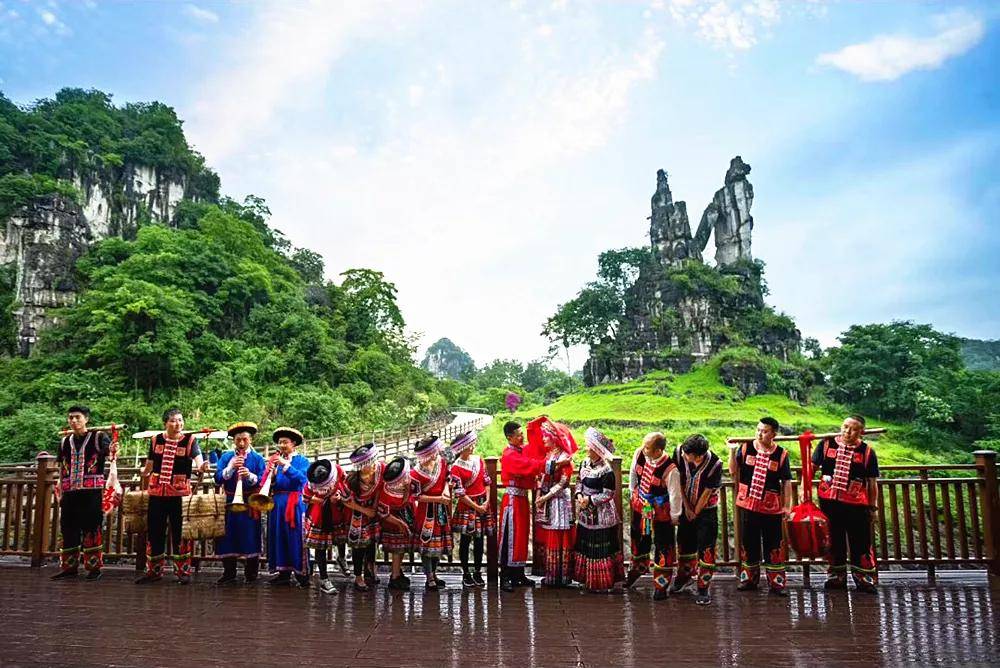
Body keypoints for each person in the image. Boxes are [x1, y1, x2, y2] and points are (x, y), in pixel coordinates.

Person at [136, 408, 208, 585]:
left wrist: (201, 466)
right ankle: (154, 571)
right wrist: (143, 472)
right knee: (155, 531)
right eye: (174, 421)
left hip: (180, 495)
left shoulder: (190, 440)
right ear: (165, 423)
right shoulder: (156, 440)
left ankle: (183, 572)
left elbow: (198, 459)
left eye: (180, 420)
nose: (178, 424)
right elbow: (150, 464)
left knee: (180, 532)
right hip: (157, 493)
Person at [810, 415, 879, 593]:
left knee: (861, 541)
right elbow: (811, 469)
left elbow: (871, 482)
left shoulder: (867, 452)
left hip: (857, 504)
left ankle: (864, 579)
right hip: (829, 502)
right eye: (845, 427)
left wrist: (873, 507)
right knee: (833, 540)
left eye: (853, 429)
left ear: (861, 432)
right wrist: (805, 491)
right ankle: (836, 578)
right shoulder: (826, 445)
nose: (848, 431)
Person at [51, 405, 115, 581]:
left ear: (86, 419)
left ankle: (94, 569)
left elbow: (111, 453)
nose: (73, 421)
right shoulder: (64, 442)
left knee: (92, 527)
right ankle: (69, 567)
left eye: (77, 417)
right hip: (70, 491)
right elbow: (61, 467)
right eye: (71, 418)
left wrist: (114, 447)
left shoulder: (98, 437)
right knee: (68, 528)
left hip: (91, 492)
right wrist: (60, 489)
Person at [731, 417, 793, 596]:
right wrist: (731, 451)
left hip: (771, 507)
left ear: (773, 434)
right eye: (758, 429)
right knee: (749, 542)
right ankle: (749, 580)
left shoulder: (781, 454)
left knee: (773, 544)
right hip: (748, 504)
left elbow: (787, 482)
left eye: (764, 431)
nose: (759, 433)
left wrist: (787, 506)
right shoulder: (745, 448)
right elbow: (734, 470)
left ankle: (776, 583)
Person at [624, 432, 682, 599]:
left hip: (661, 513)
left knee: (663, 545)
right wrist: (633, 493)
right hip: (642, 509)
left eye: (648, 447)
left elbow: (674, 495)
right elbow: (634, 474)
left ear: (658, 450)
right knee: (640, 538)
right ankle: (637, 569)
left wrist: (675, 516)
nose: (644, 449)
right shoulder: (639, 453)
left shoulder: (671, 470)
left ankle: (661, 585)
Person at [571, 427, 625, 593]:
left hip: (602, 515)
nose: (587, 449)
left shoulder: (606, 471)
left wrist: (590, 500)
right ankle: (586, 580)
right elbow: (579, 481)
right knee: (585, 545)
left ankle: (601, 583)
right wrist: (579, 495)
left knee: (600, 548)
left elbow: (609, 494)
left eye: (590, 447)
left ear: (597, 451)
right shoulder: (585, 463)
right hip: (586, 513)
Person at [671, 434, 722, 605]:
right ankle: (684, 577)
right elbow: (678, 481)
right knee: (684, 543)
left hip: (706, 510)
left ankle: (703, 587)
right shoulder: (679, 453)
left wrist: (696, 511)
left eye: (689, 455)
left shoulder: (715, 464)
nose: (685, 457)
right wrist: (686, 507)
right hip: (686, 506)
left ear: (699, 456)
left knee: (706, 548)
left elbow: (708, 492)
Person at [214, 421, 266, 585]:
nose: (242, 443)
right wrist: (229, 468)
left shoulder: (257, 458)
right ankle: (229, 572)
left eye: (245, 439)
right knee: (228, 536)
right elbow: (217, 478)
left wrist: (249, 475)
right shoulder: (226, 457)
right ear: (233, 441)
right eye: (238, 440)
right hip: (230, 501)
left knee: (251, 535)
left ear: (250, 439)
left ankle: (251, 574)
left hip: (250, 502)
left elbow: (263, 479)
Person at [498, 420, 545, 592]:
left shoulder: (519, 450)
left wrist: (536, 430)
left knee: (521, 537)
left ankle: (518, 574)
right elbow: (528, 465)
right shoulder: (509, 454)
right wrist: (547, 464)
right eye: (519, 435)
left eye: (522, 433)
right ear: (510, 437)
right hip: (512, 500)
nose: (522, 437)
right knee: (510, 537)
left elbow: (535, 449)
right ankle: (505, 577)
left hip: (522, 499)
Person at [533, 419, 576, 587]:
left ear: (554, 438)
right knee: (551, 533)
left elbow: (564, 482)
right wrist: (539, 493)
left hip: (559, 501)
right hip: (548, 499)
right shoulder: (550, 456)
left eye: (546, 437)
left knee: (559, 534)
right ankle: (551, 575)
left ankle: (562, 576)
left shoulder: (565, 457)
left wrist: (545, 497)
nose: (543, 440)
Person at [265, 427, 310, 587]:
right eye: (280, 442)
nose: (282, 445)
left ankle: (302, 575)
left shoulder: (303, 461)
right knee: (279, 536)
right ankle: (283, 573)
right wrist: (271, 476)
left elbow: (303, 480)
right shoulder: (274, 461)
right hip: (277, 503)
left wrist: (286, 466)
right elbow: (267, 483)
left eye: (285, 442)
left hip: (295, 502)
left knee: (296, 537)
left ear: (294, 444)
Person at [449, 430, 493, 588]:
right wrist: (478, 507)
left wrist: (487, 501)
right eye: (468, 445)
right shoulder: (455, 468)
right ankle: (466, 573)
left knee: (480, 540)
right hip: (468, 505)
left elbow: (487, 481)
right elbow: (459, 493)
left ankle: (477, 571)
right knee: (466, 540)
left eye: (472, 444)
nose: (472, 447)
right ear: (461, 448)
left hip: (482, 502)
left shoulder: (478, 460)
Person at [411, 435, 453, 590]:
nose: (436, 454)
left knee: (438, 543)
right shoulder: (416, 473)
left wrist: (447, 490)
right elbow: (417, 496)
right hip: (426, 511)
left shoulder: (442, 463)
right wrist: (438, 498)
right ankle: (429, 576)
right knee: (427, 543)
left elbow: (448, 478)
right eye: (433, 452)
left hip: (440, 509)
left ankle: (434, 573)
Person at [342, 442, 384, 592]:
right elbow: (346, 502)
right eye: (369, 463)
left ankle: (370, 569)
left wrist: (374, 508)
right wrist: (365, 511)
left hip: (372, 509)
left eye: (373, 461)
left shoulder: (380, 470)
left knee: (372, 541)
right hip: (356, 513)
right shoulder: (351, 481)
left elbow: (380, 488)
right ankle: (358, 576)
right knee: (358, 545)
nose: (373, 465)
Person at [304, 457, 349, 594]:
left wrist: (341, 497)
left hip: (338, 513)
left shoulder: (338, 470)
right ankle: (324, 579)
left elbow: (346, 483)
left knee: (341, 540)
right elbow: (306, 497)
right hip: (320, 517)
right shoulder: (311, 484)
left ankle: (341, 558)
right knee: (320, 546)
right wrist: (326, 500)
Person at [377, 456, 417, 591]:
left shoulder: (405, 485)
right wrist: (401, 523)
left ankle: (397, 572)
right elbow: (382, 512)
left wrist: (406, 488)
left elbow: (407, 500)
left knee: (401, 548)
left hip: (404, 517)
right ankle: (394, 576)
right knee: (397, 548)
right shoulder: (386, 491)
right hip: (392, 522)